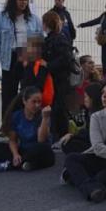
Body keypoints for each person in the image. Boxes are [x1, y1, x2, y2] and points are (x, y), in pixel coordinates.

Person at [0, 0, 43, 116]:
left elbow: (40, 38)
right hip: (10, 57)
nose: (23, 2)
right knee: (9, 92)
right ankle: (7, 125)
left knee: (27, 91)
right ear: (13, 1)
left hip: (28, 56)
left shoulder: (34, 19)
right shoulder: (1, 19)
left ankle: (27, 120)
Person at [0, 86, 56, 172]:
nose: (37, 105)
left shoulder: (43, 115)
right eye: (34, 102)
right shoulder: (17, 116)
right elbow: (12, 140)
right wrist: (15, 154)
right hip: (23, 150)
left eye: (39, 102)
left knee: (44, 150)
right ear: (24, 101)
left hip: (38, 151)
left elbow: (41, 140)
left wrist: (45, 118)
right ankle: (24, 164)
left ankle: (10, 165)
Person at [41, 10, 75, 138]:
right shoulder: (54, 38)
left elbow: (65, 59)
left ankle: (60, 136)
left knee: (58, 109)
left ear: (47, 24)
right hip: (57, 79)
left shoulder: (58, 39)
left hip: (59, 80)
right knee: (56, 108)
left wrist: (48, 65)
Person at [59, 82, 105, 154]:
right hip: (89, 140)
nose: (85, 100)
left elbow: (90, 135)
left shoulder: (99, 114)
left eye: (86, 97)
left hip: (96, 145)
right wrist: (73, 135)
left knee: (68, 144)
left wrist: (73, 136)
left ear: (93, 98)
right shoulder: (89, 112)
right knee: (67, 142)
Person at [78, 1, 106, 72]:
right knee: (104, 60)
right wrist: (83, 25)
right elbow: (95, 21)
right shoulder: (104, 16)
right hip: (104, 41)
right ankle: (105, 75)